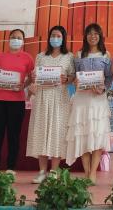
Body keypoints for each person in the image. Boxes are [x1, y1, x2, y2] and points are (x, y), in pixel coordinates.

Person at [26, 25, 75, 183]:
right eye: (53, 35)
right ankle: (42, 171)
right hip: (42, 98)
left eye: (59, 36)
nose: (55, 38)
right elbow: (35, 75)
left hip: (60, 99)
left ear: (63, 38)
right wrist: (34, 77)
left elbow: (73, 77)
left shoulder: (69, 57)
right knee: (41, 132)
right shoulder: (41, 56)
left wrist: (67, 79)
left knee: (57, 132)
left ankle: (54, 171)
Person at [65, 23, 112, 183]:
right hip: (82, 100)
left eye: (96, 33)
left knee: (97, 135)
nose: (93, 36)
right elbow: (74, 76)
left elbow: (109, 78)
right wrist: (75, 81)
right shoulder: (78, 55)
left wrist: (103, 89)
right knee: (83, 135)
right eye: (90, 33)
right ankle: (86, 172)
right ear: (85, 36)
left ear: (100, 36)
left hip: (98, 101)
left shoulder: (106, 55)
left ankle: (93, 172)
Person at [0, 28, 35, 172]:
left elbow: (31, 78)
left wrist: (23, 85)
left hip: (17, 101)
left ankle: (11, 167)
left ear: (23, 41)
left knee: (14, 136)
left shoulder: (28, 58)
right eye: (13, 37)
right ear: (9, 39)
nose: (16, 40)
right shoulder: (0, 56)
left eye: (19, 38)